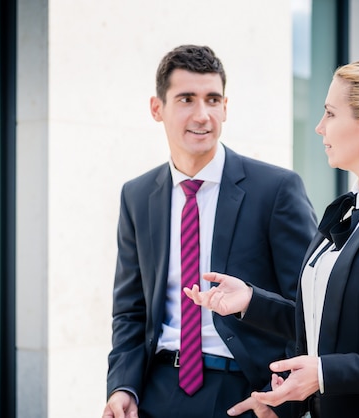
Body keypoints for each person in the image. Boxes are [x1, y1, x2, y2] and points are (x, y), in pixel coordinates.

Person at [185, 57, 359, 418]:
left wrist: (325, 374)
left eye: (330, 114)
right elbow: (328, 326)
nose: (319, 128)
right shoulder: (352, 209)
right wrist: (250, 301)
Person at [102, 44, 317, 418]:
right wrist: (123, 385)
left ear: (225, 107)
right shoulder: (137, 195)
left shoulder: (275, 189)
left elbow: (310, 308)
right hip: (157, 392)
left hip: (245, 393)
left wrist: (281, 399)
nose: (202, 115)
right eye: (186, 99)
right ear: (158, 108)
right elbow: (130, 310)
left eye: (212, 99)